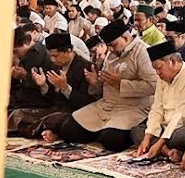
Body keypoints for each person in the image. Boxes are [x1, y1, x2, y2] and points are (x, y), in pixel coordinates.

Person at [41, 20, 158, 151]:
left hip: (132, 108)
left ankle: (106, 132)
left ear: (125, 37)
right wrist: (96, 82)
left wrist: (121, 84)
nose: (111, 49)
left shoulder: (144, 52)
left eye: (113, 45)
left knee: (111, 140)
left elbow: (153, 86)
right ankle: (101, 131)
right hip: (106, 106)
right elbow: (105, 85)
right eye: (109, 46)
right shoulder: (113, 53)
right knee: (69, 129)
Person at [129, 40, 185, 162]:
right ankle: (169, 152)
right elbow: (156, 108)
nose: (157, 73)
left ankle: (162, 148)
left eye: (159, 68)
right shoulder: (163, 78)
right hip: (168, 127)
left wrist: (159, 142)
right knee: (137, 131)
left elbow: (182, 116)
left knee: (177, 137)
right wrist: (147, 138)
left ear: (172, 61)